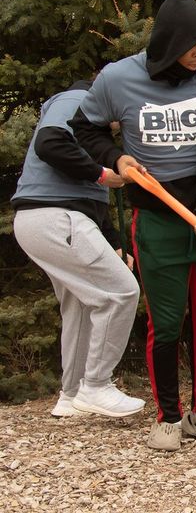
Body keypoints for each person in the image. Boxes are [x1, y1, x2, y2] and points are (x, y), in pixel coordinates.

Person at [70, 0, 196, 451]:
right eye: (194, 45)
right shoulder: (117, 78)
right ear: (170, 41)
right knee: (165, 323)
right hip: (157, 219)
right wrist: (118, 157)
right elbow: (83, 128)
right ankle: (168, 417)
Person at [12, 80, 145, 418]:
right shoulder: (77, 98)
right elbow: (50, 143)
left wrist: (114, 243)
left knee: (82, 305)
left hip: (54, 219)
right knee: (120, 292)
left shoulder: (90, 127)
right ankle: (96, 386)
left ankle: (71, 397)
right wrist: (102, 173)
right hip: (56, 217)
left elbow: (91, 202)